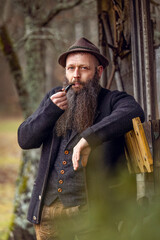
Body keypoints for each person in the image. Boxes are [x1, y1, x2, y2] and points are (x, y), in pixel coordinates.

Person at [18, 37, 145, 240]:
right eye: (71, 68)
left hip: (91, 212)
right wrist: (49, 112)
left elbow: (134, 112)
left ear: (99, 72)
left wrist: (89, 138)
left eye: (84, 68)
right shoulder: (54, 98)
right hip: (48, 214)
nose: (75, 75)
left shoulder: (113, 100)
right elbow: (25, 139)